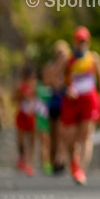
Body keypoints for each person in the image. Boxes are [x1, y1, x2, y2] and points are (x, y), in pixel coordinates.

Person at [61, 27, 100, 185]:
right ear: (74, 41)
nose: (81, 44)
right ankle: (73, 163)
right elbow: (57, 78)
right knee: (70, 139)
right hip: (72, 101)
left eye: (84, 41)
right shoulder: (68, 60)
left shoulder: (93, 58)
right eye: (78, 41)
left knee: (86, 136)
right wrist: (66, 89)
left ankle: (81, 169)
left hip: (89, 100)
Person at [42, 40, 70, 175]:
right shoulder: (51, 66)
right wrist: (59, 68)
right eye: (59, 53)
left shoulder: (70, 66)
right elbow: (48, 81)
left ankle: (62, 160)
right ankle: (53, 160)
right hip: (54, 102)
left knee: (63, 133)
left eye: (63, 53)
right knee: (53, 135)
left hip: (67, 103)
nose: (61, 56)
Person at [14, 65, 40, 176]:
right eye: (29, 77)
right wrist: (21, 96)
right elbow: (13, 98)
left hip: (33, 115)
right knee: (21, 139)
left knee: (32, 140)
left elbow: (41, 100)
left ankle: (29, 163)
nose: (31, 80)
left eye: (33, 77)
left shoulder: (36, 87)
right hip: (22, 115)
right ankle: (22, 156)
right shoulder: (19, 87)